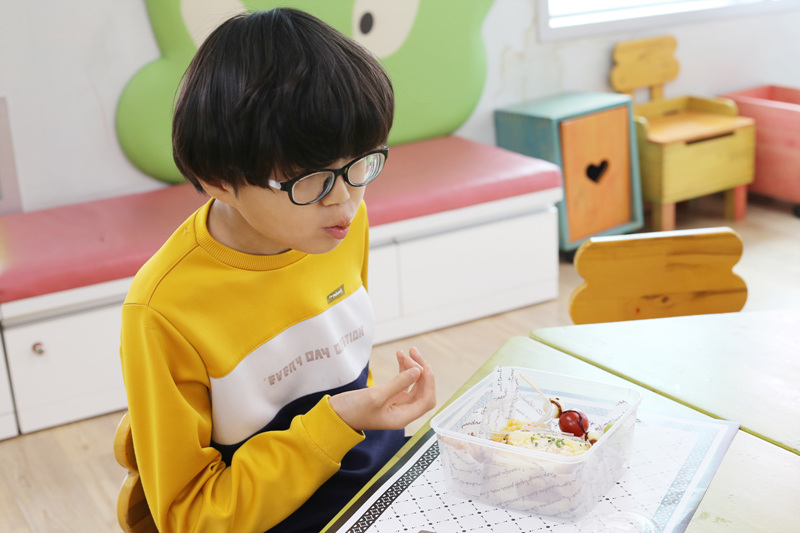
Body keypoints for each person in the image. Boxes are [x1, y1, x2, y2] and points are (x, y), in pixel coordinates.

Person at [119, 8, 436, 533]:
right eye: (311, 178)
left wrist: (366, 412)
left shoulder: (337, 224)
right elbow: (190, 516)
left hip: (375, 479)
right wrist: (336, 424)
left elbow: (338, 369)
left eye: (362, 162)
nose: (346, 201)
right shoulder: (163, 310)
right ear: (218, 180)